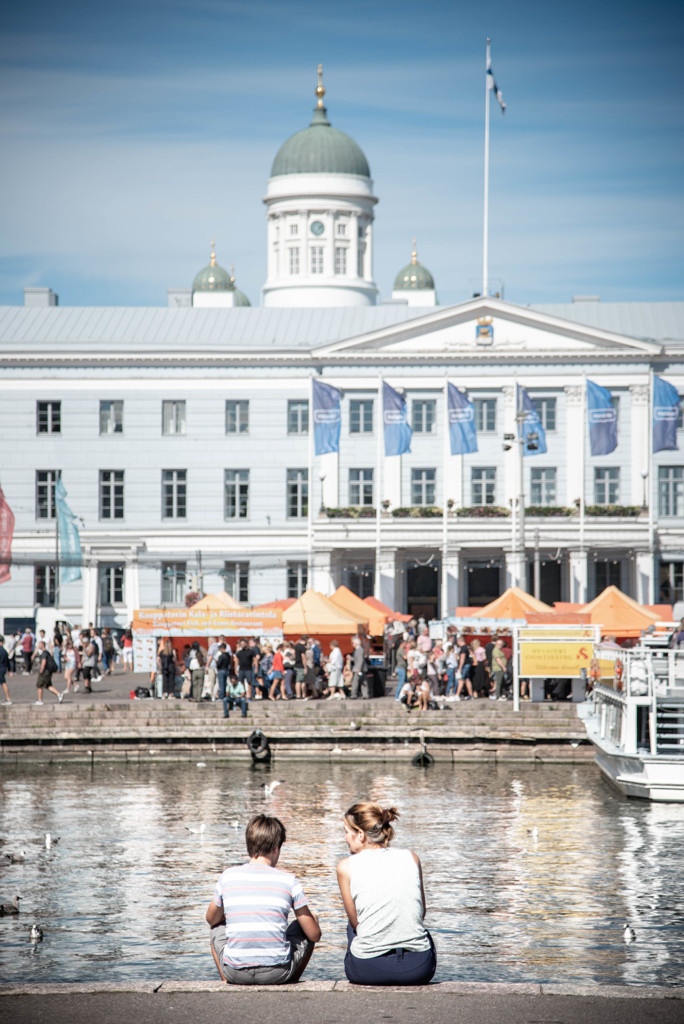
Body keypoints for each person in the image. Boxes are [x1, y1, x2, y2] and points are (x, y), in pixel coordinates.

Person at [206, 813, 321, 985]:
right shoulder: (289, 881)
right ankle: (290, 982)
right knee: (311, 922)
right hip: (277, 973)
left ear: (248, 847)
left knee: (217, 927)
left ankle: (227, 982)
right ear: (276, 848)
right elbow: (314, 934)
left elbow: (211, 919)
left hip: (235, 973)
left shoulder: (227, 877)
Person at [336, 802, 436, 986]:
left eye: (346, 831)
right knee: (420, 929)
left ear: (360, 834)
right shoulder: (411, 857)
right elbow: (420, 913)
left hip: (368, 970)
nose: (344, 838)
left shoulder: (346, 866)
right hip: (419, 969)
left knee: (352, 926)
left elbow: (355, 922)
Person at [0, 636, 11, 705]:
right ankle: (8, 698)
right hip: (3, 668)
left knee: (3, 683)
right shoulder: (4, 651)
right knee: (3, 683)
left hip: (0, 668)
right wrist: (10, 670)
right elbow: (8, 662)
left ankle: (8, 698)